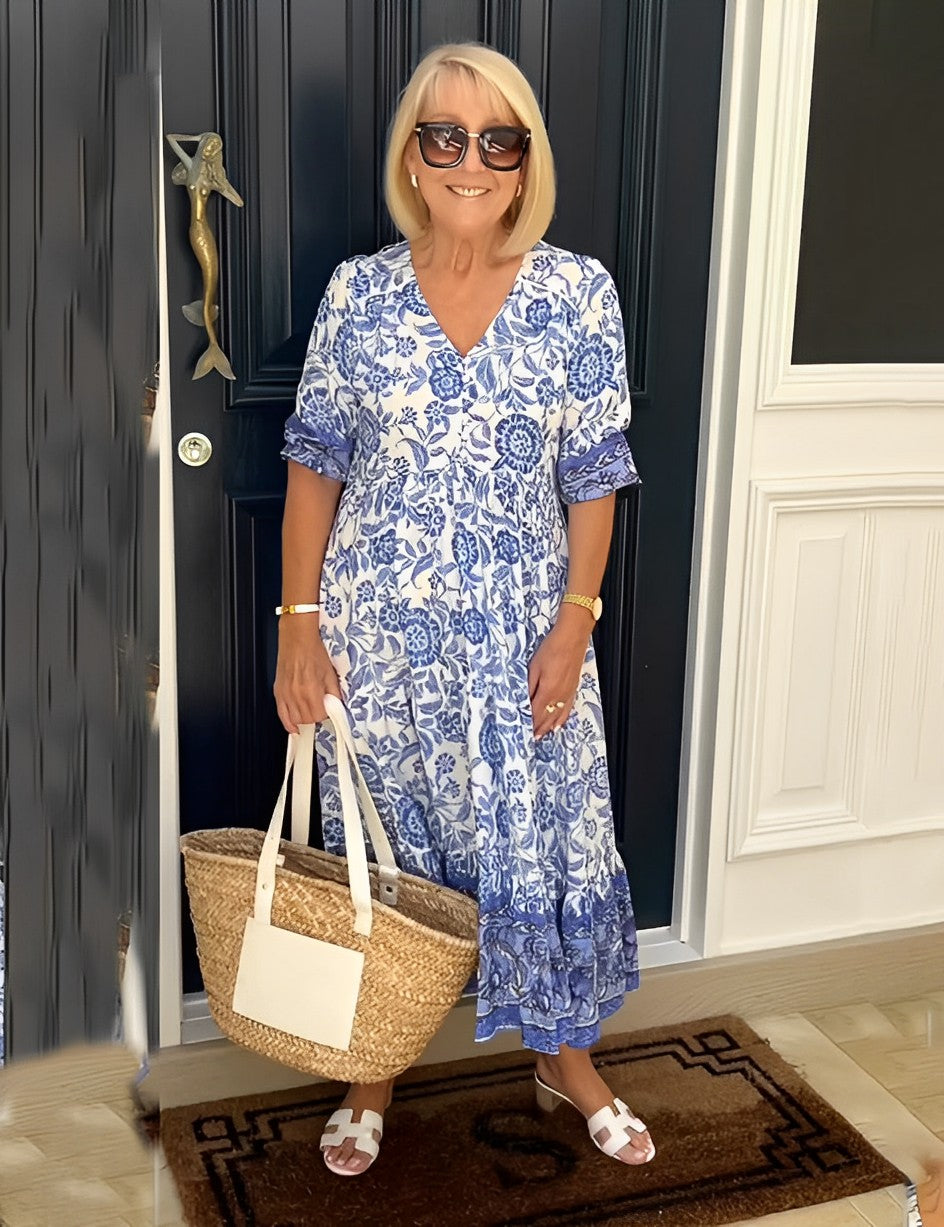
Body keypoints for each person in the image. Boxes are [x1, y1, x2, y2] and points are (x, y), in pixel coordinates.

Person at [274, 41, 653, 1177]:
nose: (471, 161)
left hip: (526, 634)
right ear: (412, 155)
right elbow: (314, 466)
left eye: (498, 139)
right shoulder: (359, 294)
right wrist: (299, 626)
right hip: (379, 640)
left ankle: (564, 1058)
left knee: (541, 839)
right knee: (385, 854)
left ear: (526, 159)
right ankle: (374, 1068)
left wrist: (576, 622)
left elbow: (595, 475)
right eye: (445, 135)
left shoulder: (578, 294)